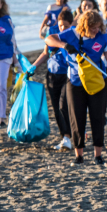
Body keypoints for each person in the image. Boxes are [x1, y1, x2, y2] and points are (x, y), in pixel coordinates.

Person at [44, 9, 107, 165]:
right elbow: (49, 39)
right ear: (84, 26)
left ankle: (98, 155)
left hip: (97, 82)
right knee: (76, 117)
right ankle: (79, 156)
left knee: (98, 117)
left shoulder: (102, 38)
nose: (95, 31)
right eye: (92, 28)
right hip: (75, 82)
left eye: (97, 27)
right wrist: (64, 45)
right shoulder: (72, 34)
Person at [32, 8, 75, 150]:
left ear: (71, 24)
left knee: (65, 106)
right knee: (56, 108)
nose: (62, 28)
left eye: (66, 26)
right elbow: (45, 53)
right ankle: (65, 137)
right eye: (60, 25)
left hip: (68, 74)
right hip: (52, 74)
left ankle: (70, 136)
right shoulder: (52, 33)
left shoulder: (73, 35)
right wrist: (34, 66)